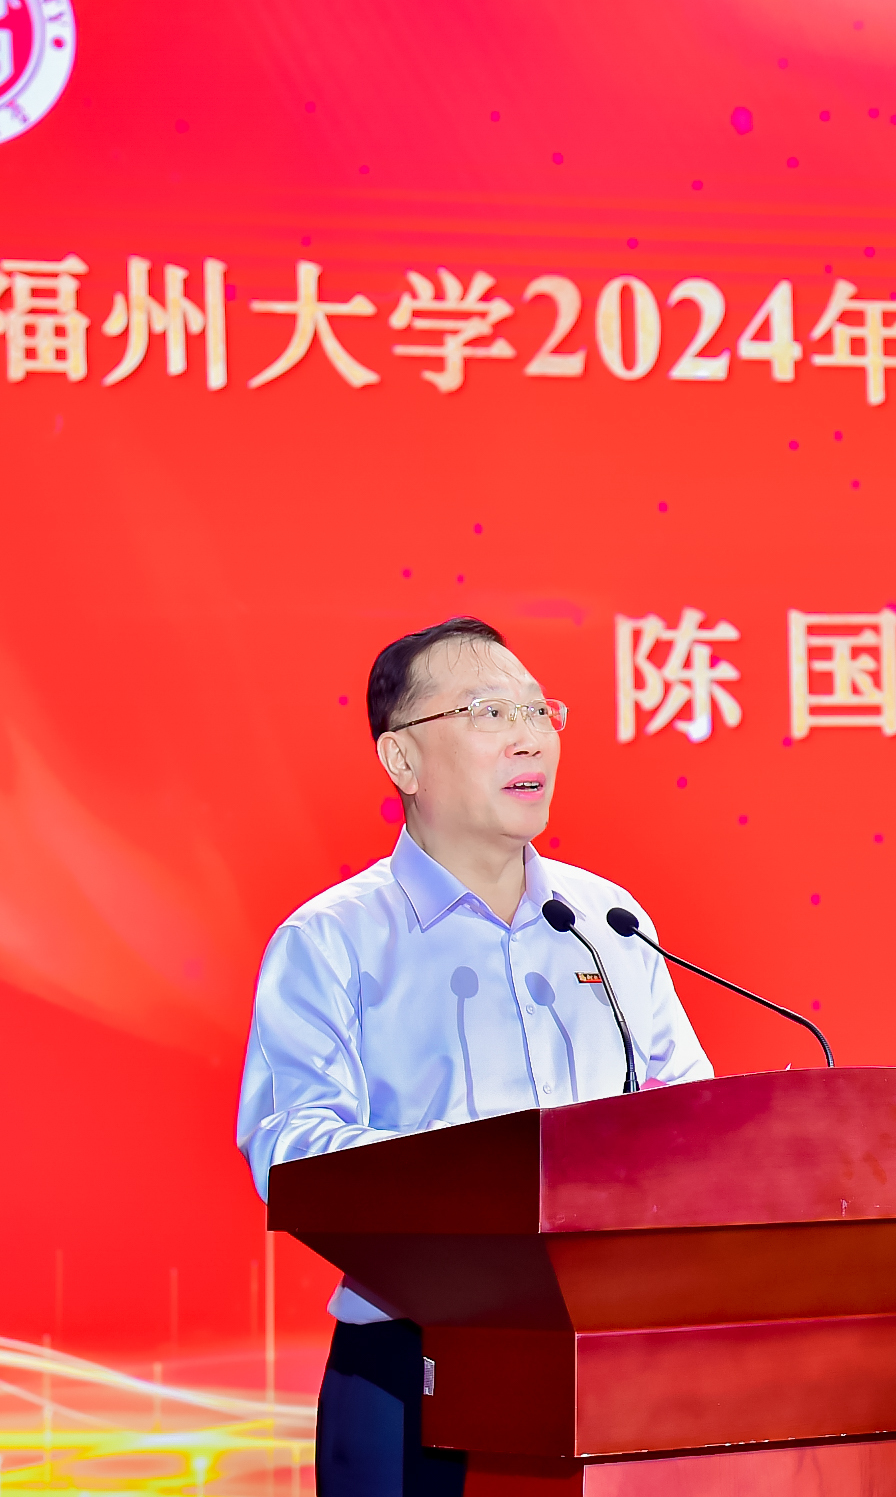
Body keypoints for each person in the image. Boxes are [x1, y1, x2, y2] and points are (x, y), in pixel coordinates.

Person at [236, 617, 712, 1497]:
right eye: (489, 711)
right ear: (402, 760)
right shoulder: (333, 940)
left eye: (538, 710)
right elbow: (293, 1153)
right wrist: (479, 1182)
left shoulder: (608, 921)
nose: (530, 737)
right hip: (409, 1368)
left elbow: (694, 1116)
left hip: (608, 1357)